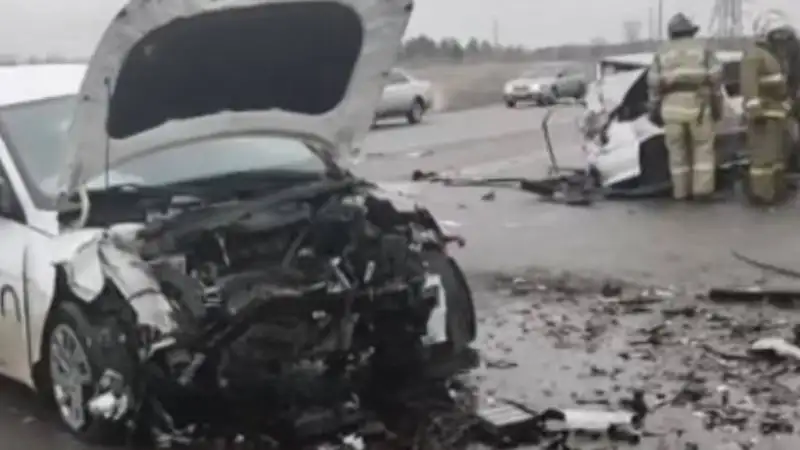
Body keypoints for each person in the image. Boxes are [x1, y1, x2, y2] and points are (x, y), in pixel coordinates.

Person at [647, 13, 723, 201]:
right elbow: (716, 76)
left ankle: (680, 192)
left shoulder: (662, 52)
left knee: (677, 153)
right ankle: (702, 191)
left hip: (671, 109)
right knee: (703, 149)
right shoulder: (703, 48)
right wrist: (716, 104)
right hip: (698, 107)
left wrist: (654, 109)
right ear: (691, 31)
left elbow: (653, 83)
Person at [741, 10, 797, 205]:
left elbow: (781, 85)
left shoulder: (773, 56)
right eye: (778, 35)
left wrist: (787, 105)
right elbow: (749, 85)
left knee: (776, 157)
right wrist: (755, 111)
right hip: (763, 116)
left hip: (776, 114)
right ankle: (762, 195)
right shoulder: (755, 55)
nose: (782, 40)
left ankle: (776, 192)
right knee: (763, 159)